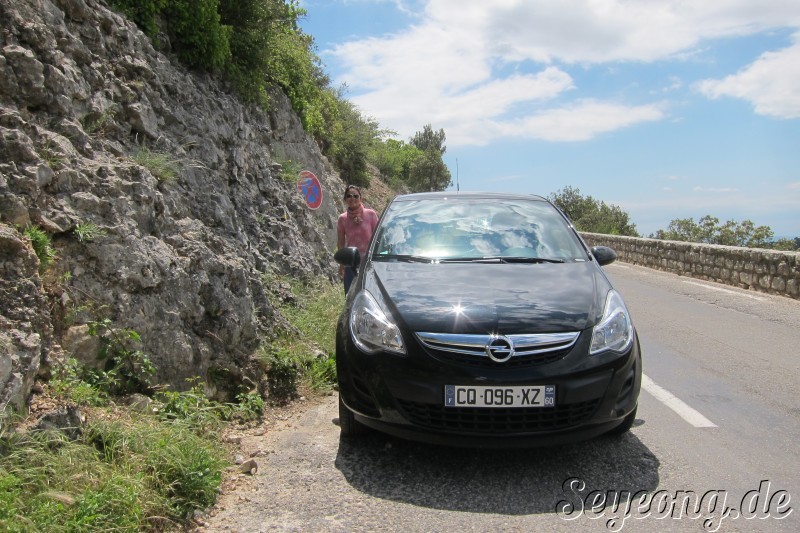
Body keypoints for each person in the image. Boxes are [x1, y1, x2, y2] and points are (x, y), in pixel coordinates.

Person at [337, 185, 379, 294]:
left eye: (356, 196)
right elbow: (341, 242)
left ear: (361, 198)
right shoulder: (342, 218)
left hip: (368, 263)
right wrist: (342, 264)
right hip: (350, 263)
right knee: (350, 296)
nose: (352, 198)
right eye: (349, 196)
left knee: (369, 295)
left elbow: (378, 238)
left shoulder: (371, 214)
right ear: (345, 199)